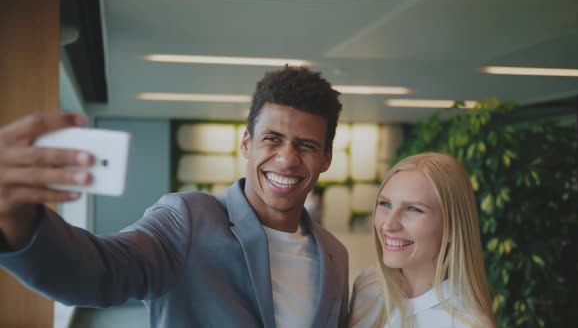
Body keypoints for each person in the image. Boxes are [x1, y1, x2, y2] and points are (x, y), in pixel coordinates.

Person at [0, 66, 349, 328]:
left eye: (305, 145)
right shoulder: (189, 219)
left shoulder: (335, 254)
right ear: (247, 143)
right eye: (272, 139)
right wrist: (18, 217)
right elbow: (99, 271)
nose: (287, 159)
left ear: (327, 158)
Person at [348, 152, 495, 328]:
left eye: (412, 209)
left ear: (453, 227)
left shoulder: (465, 324)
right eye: (385, 204)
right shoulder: (368, 286)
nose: (388, 224)